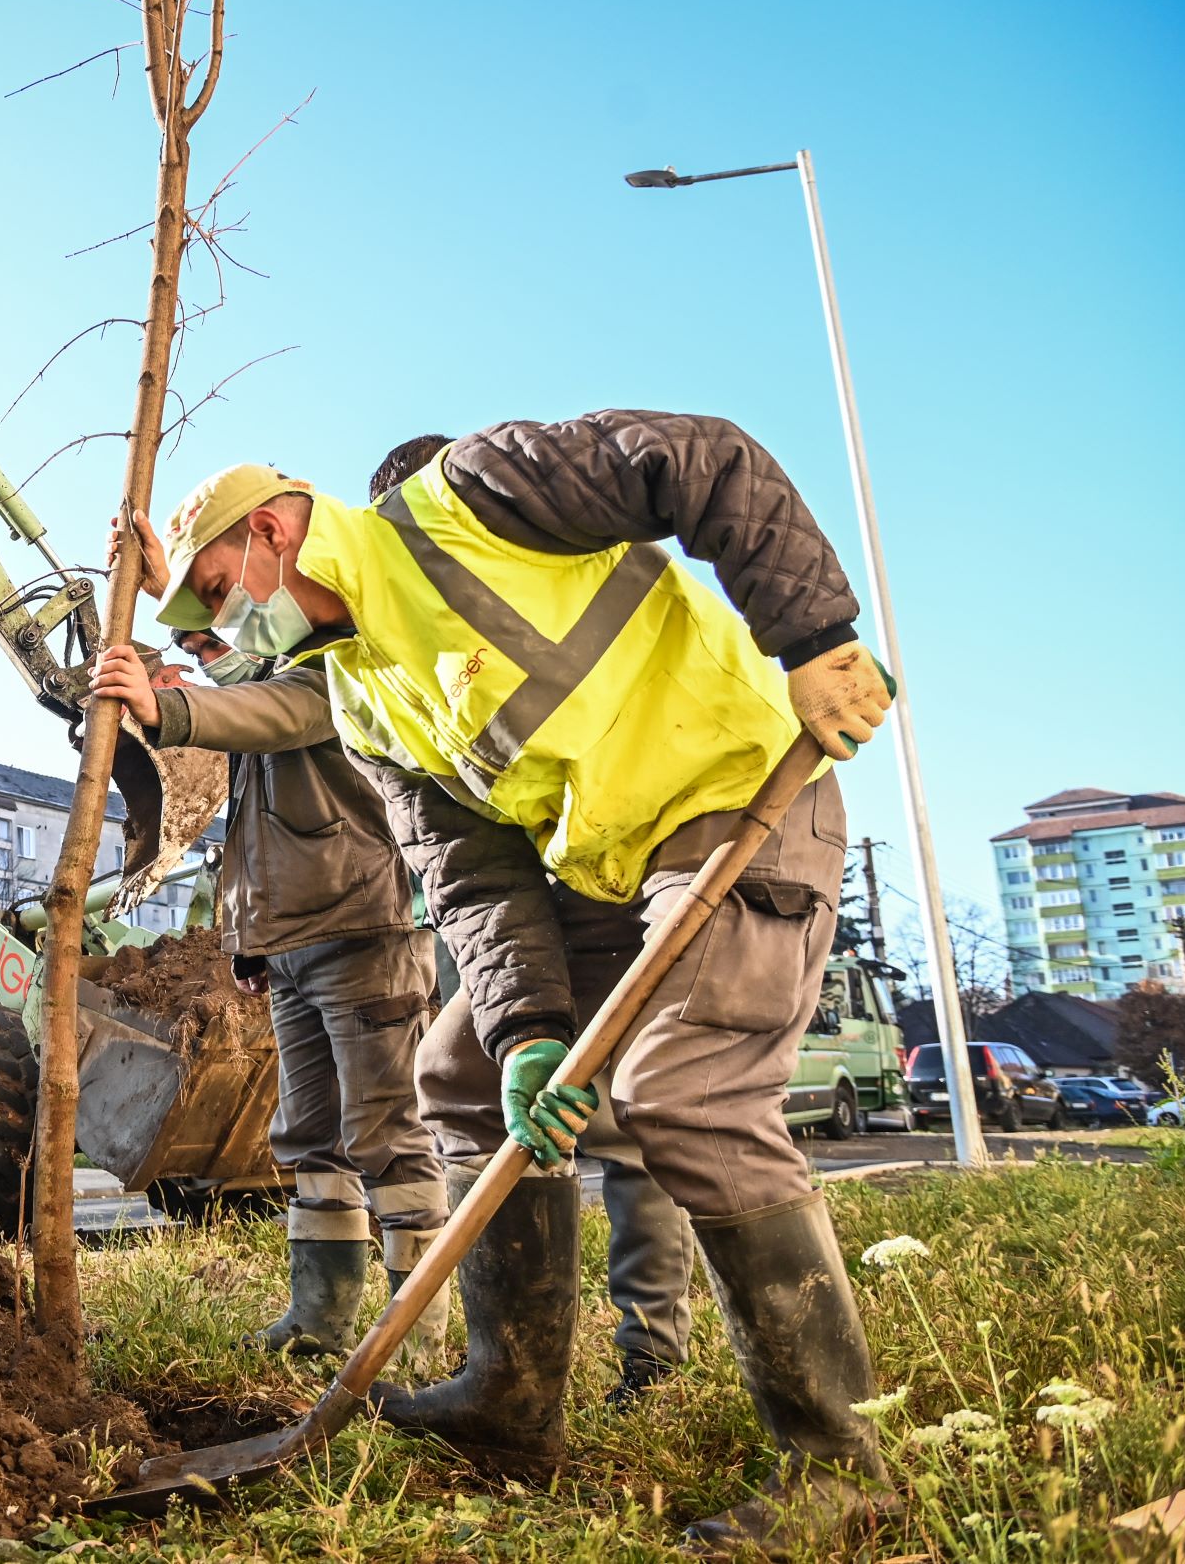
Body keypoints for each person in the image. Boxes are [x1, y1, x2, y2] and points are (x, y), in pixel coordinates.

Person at [145, 412, 899, 1555]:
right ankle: (507, 1399)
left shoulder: (470, 495)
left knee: (683, 1093)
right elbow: (472, 877)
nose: (225, 626)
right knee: (458, 1070)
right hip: (598, 870)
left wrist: (814, 637)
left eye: (217, 591)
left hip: (736, 796)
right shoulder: (356, 698)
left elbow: (703, 461)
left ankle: (840, 1467)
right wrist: (528, 1028)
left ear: (267, 531)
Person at [367, 437, 696, 1406]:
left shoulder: (540, 576)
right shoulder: (403, 650)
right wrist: (522, 1018)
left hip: (635, 855)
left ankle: (648, 1362)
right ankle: (514, 1377)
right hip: (537, 891)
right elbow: (466, 858)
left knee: (635, 1113)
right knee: (471, 1071)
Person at [91, 561, 449, 1367]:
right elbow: (259, 832)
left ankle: (417, 1340)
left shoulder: (334, 668)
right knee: (308, 1138)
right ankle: (318, 1321)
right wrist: (245, 942)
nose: (205, 646)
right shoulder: (256, 688)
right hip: (290, 951)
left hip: (364, 935)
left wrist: (169, 707)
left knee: (388, 1136)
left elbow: (270, 712)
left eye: (210, 627)